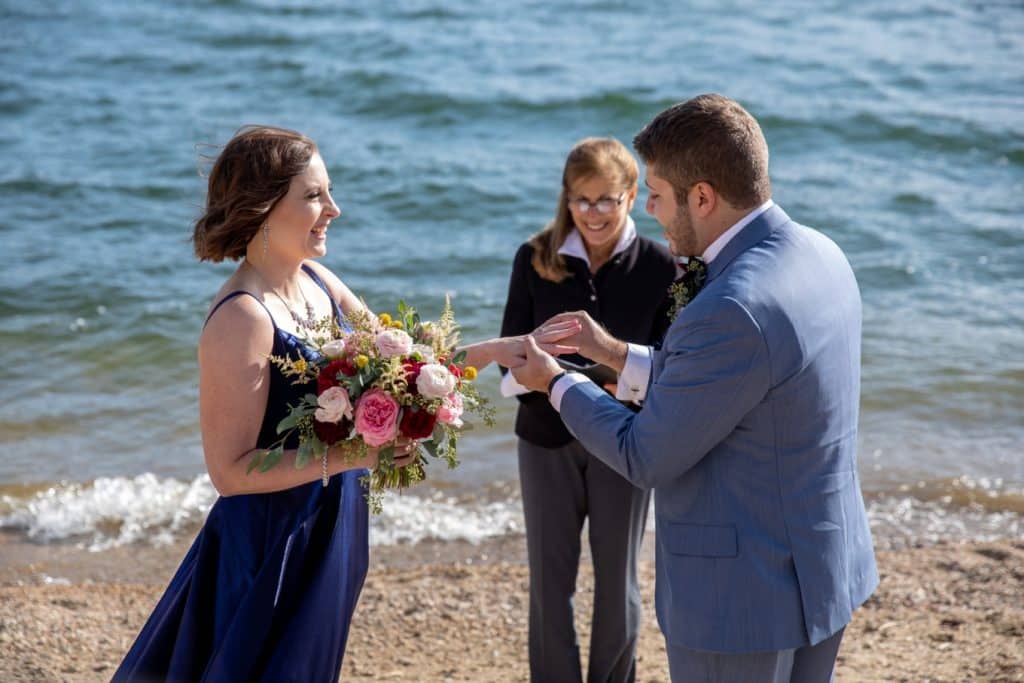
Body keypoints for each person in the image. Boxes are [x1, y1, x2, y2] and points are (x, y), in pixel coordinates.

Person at [112, 126, 526, 682]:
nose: (334, 208)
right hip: (268, 546)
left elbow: (412, 365)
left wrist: (500, 350)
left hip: (333, 522)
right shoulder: (242, 318)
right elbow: (229, 474)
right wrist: (355, 457)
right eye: (313, 196)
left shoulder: (319, 282)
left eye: (327, 191)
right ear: (262, 207)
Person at [512, 95, 879, 682]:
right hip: (822, 570)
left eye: (655, 192)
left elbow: (644, 454)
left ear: (703, 197)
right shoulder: (820, 252)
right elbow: (740, 382)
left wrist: (555, 383)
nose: (649, 207)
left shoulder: (731, 306)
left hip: (744, 598)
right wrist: (613, 353)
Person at [499, 137, 677, 682]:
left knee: (617, 579)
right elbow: (511, 363)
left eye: (607, 199)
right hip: (544, 439)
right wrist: (546, 380)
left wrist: (606, 386)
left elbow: (669, 369)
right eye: (582, 199)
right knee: (550, 583)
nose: (593, 213)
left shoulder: (661, 265)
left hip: (624, 442)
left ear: (630, 197)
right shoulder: (535, 258)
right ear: (566, 198)